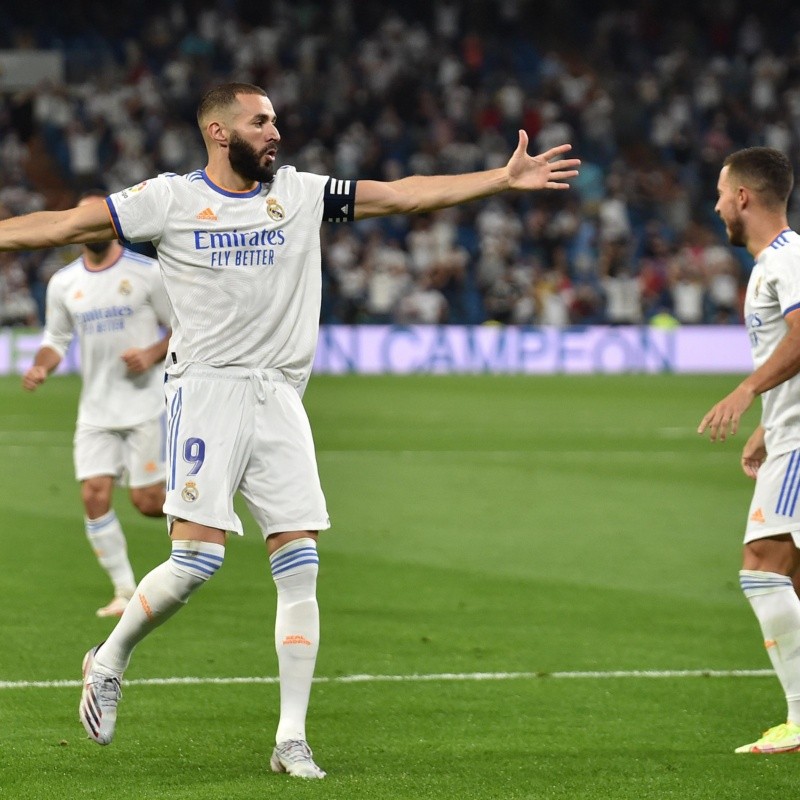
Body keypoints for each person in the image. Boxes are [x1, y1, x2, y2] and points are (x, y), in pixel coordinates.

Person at [0, 82, 580, 779]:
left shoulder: (301, 192)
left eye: (276, 119)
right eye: (261, 121)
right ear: (218, 131)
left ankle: (291, 738)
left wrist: (499, 179)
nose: (276, 131)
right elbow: (65, 225)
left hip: (280, 396)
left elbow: (403, 194)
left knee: (300, 562)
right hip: (206, 388)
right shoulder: (169, 199)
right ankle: (111, 658)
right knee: (196, 563)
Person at [22, 190, 171, 617]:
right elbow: (55, 339)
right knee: (93, 495)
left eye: (100, 218)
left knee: (145, 502)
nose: (92, 225)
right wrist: (41, 367)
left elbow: (183, 327)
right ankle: (124, 590)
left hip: (146, 404)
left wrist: (151, 354)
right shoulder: (64, 283)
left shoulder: (147, 273)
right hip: (96, 410)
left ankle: (207, 501)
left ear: (114, 223)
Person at [698, 146, 800, 754]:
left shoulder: (784, 261)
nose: (715, 206)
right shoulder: (779, 263)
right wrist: (769, 419)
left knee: (761, 566)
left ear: (743, 197)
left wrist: (746, 391)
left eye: (719, 193)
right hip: (788, 432)